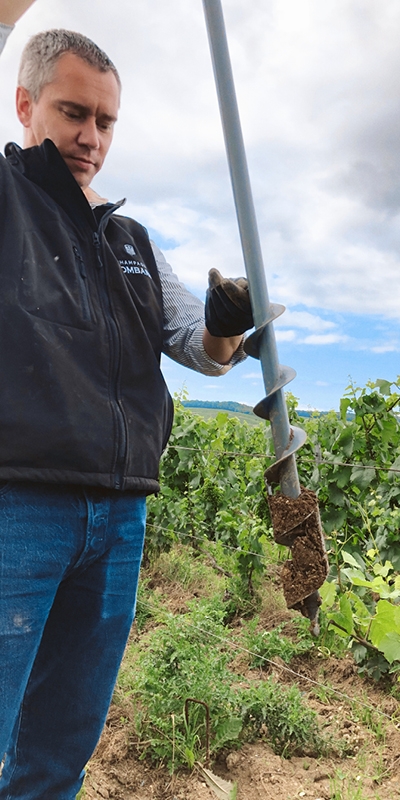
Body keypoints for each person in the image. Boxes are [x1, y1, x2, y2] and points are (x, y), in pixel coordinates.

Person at [0, 3, 254, 798]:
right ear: (25, 103)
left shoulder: (132, 240)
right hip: (17, 513)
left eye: (106, 121)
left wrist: (224, 326)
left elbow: (201, 352)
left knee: (60, 752)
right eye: (73, 112)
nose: (92, 138)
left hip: (117, 521)